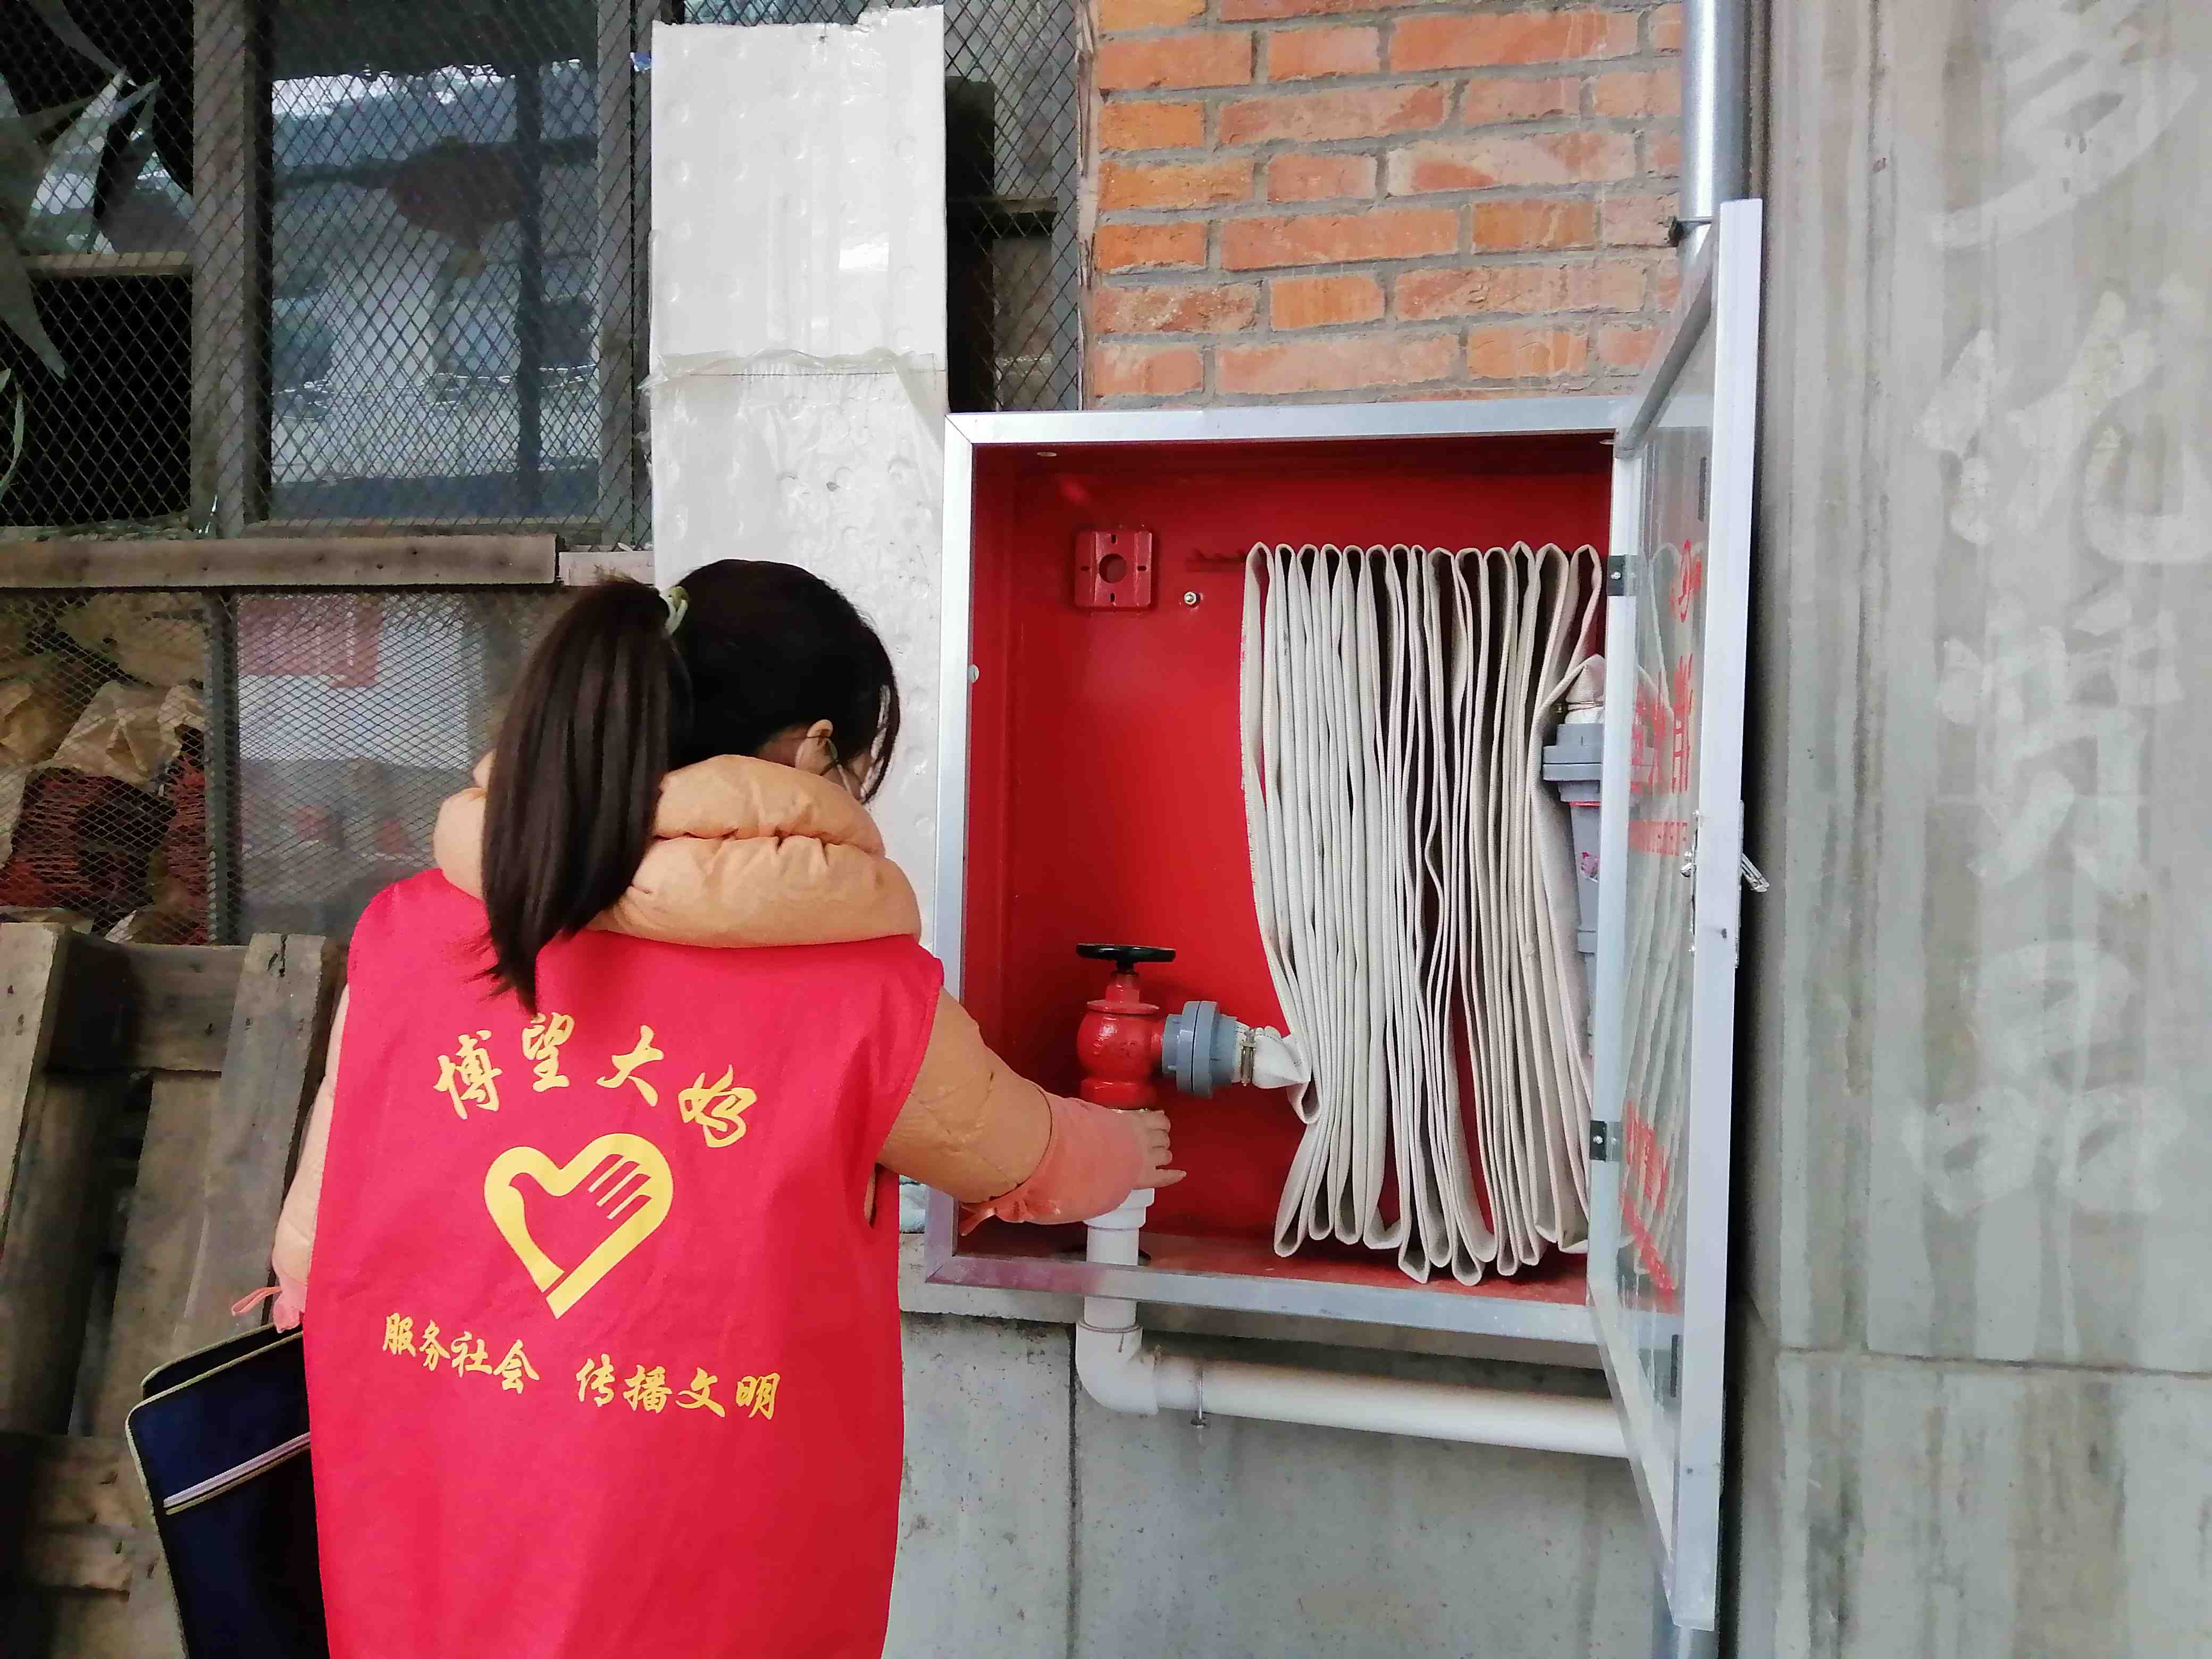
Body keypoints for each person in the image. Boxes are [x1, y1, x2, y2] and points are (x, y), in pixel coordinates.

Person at [266, 563, 1180, 1657]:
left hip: (435, 1501)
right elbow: (1024, 1155)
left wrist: (297, 1285)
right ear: (814, 749)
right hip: (706, 1555)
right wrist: (1125, 1145)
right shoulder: (861, 993)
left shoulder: (412, 928)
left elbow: (328, 1193)